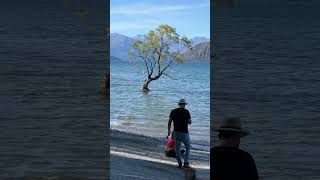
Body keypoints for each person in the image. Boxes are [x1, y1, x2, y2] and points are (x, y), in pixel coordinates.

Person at [168, 99, 192, 168]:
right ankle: (186, 163)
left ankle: (179, 163)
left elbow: (169, 122)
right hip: (184, 133)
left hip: (176, 132)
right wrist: (188, 121)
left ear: (179, 104)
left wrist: (168, 130)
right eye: (184, 104)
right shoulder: (186, 111)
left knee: (178, 148)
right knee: (188, 147)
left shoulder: (173, 111)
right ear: (184, 105)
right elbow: (189, 122)